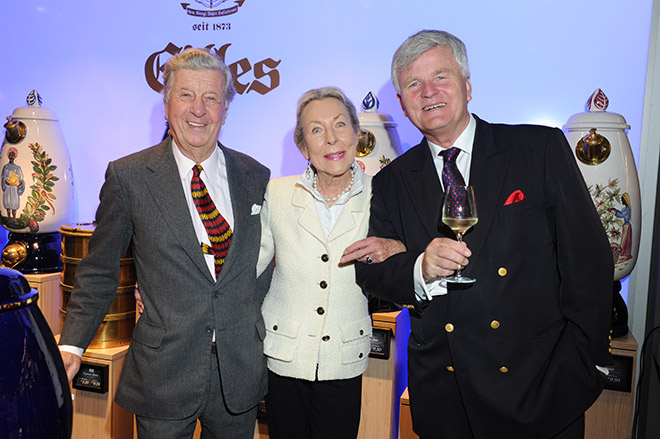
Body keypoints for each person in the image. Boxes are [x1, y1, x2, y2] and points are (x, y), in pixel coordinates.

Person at [353, 30, 614, 439]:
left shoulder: (538, 148)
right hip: (447, 400)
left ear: (468, 86)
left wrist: (585, 364)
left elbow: (589, 262)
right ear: (402, 104)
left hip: (540, 391)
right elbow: (373, 271)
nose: (428, 92)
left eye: (441, 77)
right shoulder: (390, 181)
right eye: (413, 85)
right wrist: (419, 267)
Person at [58, 48, 271, 438]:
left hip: (239, 371)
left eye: (211, 98)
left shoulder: (256, 175)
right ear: (167, 103)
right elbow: (99, 270)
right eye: (186, 95)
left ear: (226, 109)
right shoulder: (129, 177)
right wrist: (72, 346)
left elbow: (267, 267)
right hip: (163, 373)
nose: (199, 110)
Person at [256, 86, 405, 439]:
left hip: (344, 355)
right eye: (316, 130)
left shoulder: (382, 194)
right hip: (284, 355)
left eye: (340, 125)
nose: (331, 139)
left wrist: (395, 246)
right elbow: (248, 268)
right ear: (303, 146)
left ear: (357, 133)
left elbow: (408, 252)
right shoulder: (277, 193)